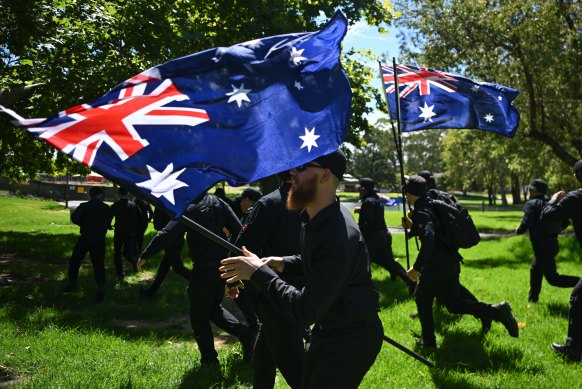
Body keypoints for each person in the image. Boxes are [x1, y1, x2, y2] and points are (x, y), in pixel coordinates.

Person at [221, 150, 384, 388]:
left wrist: (259, 273)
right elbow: (314, 260)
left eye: (302, 167)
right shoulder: (317, 217)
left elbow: (305, 311)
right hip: (329, 331)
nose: (292, 173)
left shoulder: (338, 235)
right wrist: (284, 262)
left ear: (325, 175)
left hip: (349, 340)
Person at [401, 175, 519, 348]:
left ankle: (429, 342)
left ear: (411, 194)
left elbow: (430, 238)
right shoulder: (431, 203)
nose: (405, 196)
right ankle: (496, 311)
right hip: (450, 261)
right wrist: (413, 227)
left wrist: (417, 268)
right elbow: (436, 231)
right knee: (454, 304)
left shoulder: (421, 210)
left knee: (422, 300)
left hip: (436, 265)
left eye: (406, 193)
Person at [138, 192, 255, 365]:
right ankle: (246, 336)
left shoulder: (189, 209)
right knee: (213, 309)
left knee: (199, 316)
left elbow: (167, 233)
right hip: (223, 266)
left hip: (205, 270)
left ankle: (209, 360)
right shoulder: (219, 203)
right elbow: (239, 231)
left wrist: (146, 254)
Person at [234, 170, 306, 389]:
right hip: (305, 287)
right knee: (264, 354)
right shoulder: (312, 202)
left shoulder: (268, 204)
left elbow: (244, 249)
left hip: (276, 290)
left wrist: (232, 280)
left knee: (296, 369)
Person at [540, 159, 582, 362]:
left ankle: (573, 349)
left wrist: (553, 199)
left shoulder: (575, 198)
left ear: (576, 176)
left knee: (578, 298)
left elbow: (547, 216)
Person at [515, 178, 579, 303]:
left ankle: (580, 283)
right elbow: (566, 221)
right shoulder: (551, 204)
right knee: (535, 270)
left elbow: (525, 223)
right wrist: (555, 231)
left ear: (534, 190)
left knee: (553, 279)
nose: (529, 191)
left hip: (541, 246)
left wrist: (518, 230)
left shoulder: (531, 204)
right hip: (552, 244)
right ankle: (533, 300)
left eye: (529, 189)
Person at [355, 177, 415, 293]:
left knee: (361, 261)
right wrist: (362, 210)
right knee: (388, 262)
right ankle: (410, 281)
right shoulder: (376, 199)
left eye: (360, 187)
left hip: (373, 238)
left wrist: (357, 234)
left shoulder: (368, 202)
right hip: (384, 236)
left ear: (364, 188)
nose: (358, 190)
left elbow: (367, 223)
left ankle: (363, 289)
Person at [63, 187, 112, 302]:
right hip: (99, 239)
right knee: (98, 264)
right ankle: (100, 286)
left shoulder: (84, 206)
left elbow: (74, 218)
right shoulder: (106, 208)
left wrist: (83, 224)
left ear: (90, 195)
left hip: (85, 237)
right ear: (100, 195)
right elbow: (108, 222)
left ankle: (72, 283)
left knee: (75, 260)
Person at [138, 206, 191, 299]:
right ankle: (150, 293)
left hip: (170, 241)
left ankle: (202, 283)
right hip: (178, 239)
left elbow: (158, 226)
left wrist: (145, 255)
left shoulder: (164, 205)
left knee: (177, 268)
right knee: (163, 268)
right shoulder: (176, 204)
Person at [109, 188, 141, 281]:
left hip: (119, 231)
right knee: (127, 252)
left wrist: (109, 226)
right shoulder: (133, 205)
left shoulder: (115, 206)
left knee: (117, 253)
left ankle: (120, 273)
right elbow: (140, 217)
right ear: (127, 194)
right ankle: (134, 261)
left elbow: (109, 218)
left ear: (118, 194)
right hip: (130, 232)